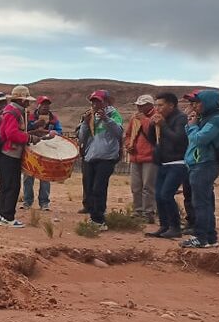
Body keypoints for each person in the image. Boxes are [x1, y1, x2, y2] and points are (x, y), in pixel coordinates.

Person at [180, 90, 219, 248]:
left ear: (207, 102)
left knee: (200, 203)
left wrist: (192, 127)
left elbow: (200, 140)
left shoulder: (217, 120)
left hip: (205, 164)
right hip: (198, 164)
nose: (194, 106)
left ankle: (201, 238)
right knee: (206, 202)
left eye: (197, 102)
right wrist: (191, 124)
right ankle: (211, 238)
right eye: (192, 103)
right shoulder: (204, 118)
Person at [144, 92, 189, 239]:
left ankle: (175, 227)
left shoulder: (180, 118)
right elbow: (152, 141)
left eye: (161, 105)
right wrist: (152, 126)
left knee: (166, 194)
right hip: (163, 162)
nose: (158, 108)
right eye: (156, 105)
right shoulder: (162, 119)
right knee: (158, 196)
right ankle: (164, 226)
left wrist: (162, 125)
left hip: (177, 162)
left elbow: (179, 139)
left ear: (171, 105)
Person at [0, 86, 41, 227]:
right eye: (26, 100)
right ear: (21, 100)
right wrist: (29, 138)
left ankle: (1, 215)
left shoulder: (10, 111)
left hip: (6, 153)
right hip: (10, 154)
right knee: (12, 186)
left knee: (5, 185)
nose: (28, 103)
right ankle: (8, 217)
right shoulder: (13, 113)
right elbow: (11, 134)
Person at [78, 89, 123, 229]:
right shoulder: (90, 116)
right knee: (90, 188)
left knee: (99, 188)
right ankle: (94, 216)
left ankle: (99, 219)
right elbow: (82, 137)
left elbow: (119, 133)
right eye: (93, 101)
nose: (95, 104)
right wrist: (85, 124)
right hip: (91, 156)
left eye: (98, 101)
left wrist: (106, 119)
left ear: (106, 101)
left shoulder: (114, 114)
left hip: (107, 157)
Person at [22, 96, 62, 210]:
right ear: (38, 105)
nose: (45, 106)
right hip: (31, 147)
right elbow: (24, 130)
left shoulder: (53, 118)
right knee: (28, 175)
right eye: (43, 104)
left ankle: (44, 203)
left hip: (47, 149)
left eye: (47, 104)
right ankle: (27, 202)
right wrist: (35, 125)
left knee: (45, 176)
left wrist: (53, 133)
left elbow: (59, 131)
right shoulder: (29, 117)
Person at [124, 95, 158, 223]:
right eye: (138, 105)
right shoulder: (135, 118)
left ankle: (149, 212)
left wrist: (144, 120)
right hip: (136, 156)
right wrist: (128, 145)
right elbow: (128, 134)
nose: (139, 107)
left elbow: (154, 132)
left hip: (150, 156)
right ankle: (137, 210)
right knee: (136, 186)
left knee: (148, 187)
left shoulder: (156, 116)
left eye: (142, 105)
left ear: (150, 105)